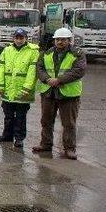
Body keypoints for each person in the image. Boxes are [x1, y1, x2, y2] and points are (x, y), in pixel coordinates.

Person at [34, 28, 86, 160]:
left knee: (69, 123)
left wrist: (59, 80)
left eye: (63, 39)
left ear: (69, 40)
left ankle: (69, 148)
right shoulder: (47, 53)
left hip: (68, 94)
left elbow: (79, 71)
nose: (60, 42)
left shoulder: (77, 54)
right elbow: (39, 68)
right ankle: (45, 144)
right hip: (48, 92)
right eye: (58, 39)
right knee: (46, 120)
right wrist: (46, 79)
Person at [0, 28, 39, 147]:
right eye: (17, 38)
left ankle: (19, 138)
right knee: (8, 115)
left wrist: (27, 88)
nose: (19, 40)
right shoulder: (7, 50)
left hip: (22, 90)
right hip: (8, 89)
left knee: (20, 116)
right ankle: (7, 135)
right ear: (13, 38)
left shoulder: (33, 52)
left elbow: (32, 72)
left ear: (26, 39)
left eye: (21, 38)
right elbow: (0, 68)